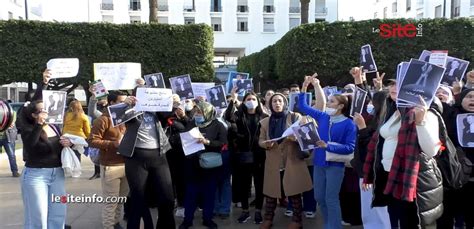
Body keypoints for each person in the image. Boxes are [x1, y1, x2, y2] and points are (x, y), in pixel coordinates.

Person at [362, 80, 442, 228]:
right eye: (392, 84)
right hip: (390, 177)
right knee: (395, 221)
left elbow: (431, 150)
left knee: (410, 223)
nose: (394, 88)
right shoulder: (391, 112)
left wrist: (420, 122)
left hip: (413, 181)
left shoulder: (427, 113)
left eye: (401, 84)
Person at [298, 75, 357, 229]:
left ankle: (334, 226)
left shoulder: (349, 124)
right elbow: (303, 107)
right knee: (319, 197)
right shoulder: (323, 117)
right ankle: (328, 223)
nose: (328, 104)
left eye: (331, 101)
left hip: (335, 165)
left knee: (331, 198)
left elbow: (350, 147)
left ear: (340, 106)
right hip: (319, 163)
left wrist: (328, 146)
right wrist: (305, 87)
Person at [119, 94, 175, 229]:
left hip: (159, 156)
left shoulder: (156, 110)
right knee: (138, 197)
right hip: (136, 158)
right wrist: (125, 104)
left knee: (167, 198)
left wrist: (173, 102)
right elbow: (117, 117)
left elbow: (168, 114)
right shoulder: (131, 110)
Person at [258, 93, 313, 229]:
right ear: (270, 104)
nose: (277, 103)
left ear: (285, 103)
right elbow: (260, 140)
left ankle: (297, 220)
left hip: (291, 160)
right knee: (271, 192)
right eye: (274, 101)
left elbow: (307, 138)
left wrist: (296, 138)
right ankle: (268, 218)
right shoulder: (265, 122)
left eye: (280, 101)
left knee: (294, 191)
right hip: (273, 161)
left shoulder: (296, 118)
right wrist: (266, 144)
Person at [18, 100, 72, 228]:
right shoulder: (28, 129)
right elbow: (31, 147)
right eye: (42, 110)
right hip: (36, 175)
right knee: (38, 216)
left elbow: (57, 148)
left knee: (59, 213)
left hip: (57, 173)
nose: (47, 112)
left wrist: (68, 143)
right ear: (34, 115)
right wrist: (39, 125)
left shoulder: (53, 126)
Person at [179, 102, 227, 229]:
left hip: (209, 166)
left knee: (209, 194)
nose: (197, 114)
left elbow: (222, 142)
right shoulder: (192, 123)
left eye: (200, 112)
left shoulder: (218, 125)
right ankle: (187, 220)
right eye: (196, 112)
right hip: (192, 164)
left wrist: (207, 141)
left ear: (208, 113)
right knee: (190, 194)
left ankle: (207, 219)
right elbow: (183, 138)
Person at [225, 91, 268, 224]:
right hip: (243, 155)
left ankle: (258, 211)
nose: (251, 101)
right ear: (243, 102)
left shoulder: (264, 116)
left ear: (258, 101)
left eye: (253, 99)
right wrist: (233, 99)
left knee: (259, 184)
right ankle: (245, 210)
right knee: (244, 184)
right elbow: (228, 116)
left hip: (260, 155)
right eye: (248, 99)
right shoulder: (239, 115)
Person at [88, 91, 128, 229]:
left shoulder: (127, 117)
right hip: (111, 165)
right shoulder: (103, 119)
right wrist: (112, 144)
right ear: (112, 103)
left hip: (126, 164)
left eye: (126, 101)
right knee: (111, 202)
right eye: (122, 101)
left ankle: (116, 223)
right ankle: (109, 226)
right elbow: (92, 140)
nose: (125, 104)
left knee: (120, 200)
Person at [166, 102, 194, 218]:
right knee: (169, 182)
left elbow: (191, 129)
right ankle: (171, 204)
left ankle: (182, 204)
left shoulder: (185, 118)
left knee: (181, 181)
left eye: (178, 106)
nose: (176, 109)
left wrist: (183, 117)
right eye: (174, 106)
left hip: (182, 154)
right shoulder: (165, 118)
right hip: (168, 154)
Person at [0, 108, 19, 177]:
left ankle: (14, 171)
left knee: (11, 155)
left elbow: (11, 124)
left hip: (8, 137)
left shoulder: (12, 113)